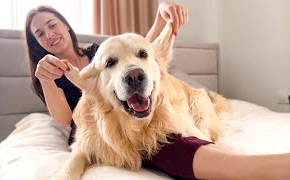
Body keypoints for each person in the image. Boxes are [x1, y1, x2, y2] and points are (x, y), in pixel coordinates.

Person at [24, 3, 290, 180]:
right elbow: (63, 118)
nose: (49, 34)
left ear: (64, 25)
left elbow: (144, 50)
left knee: (166, 140)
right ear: (38, 44)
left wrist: (163, 13)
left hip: (140, 119)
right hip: (92, 126)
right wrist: (47, 80)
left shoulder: (100, 52)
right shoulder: (48, 73)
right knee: (165, 149)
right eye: (40, 33)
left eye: (52, 25)